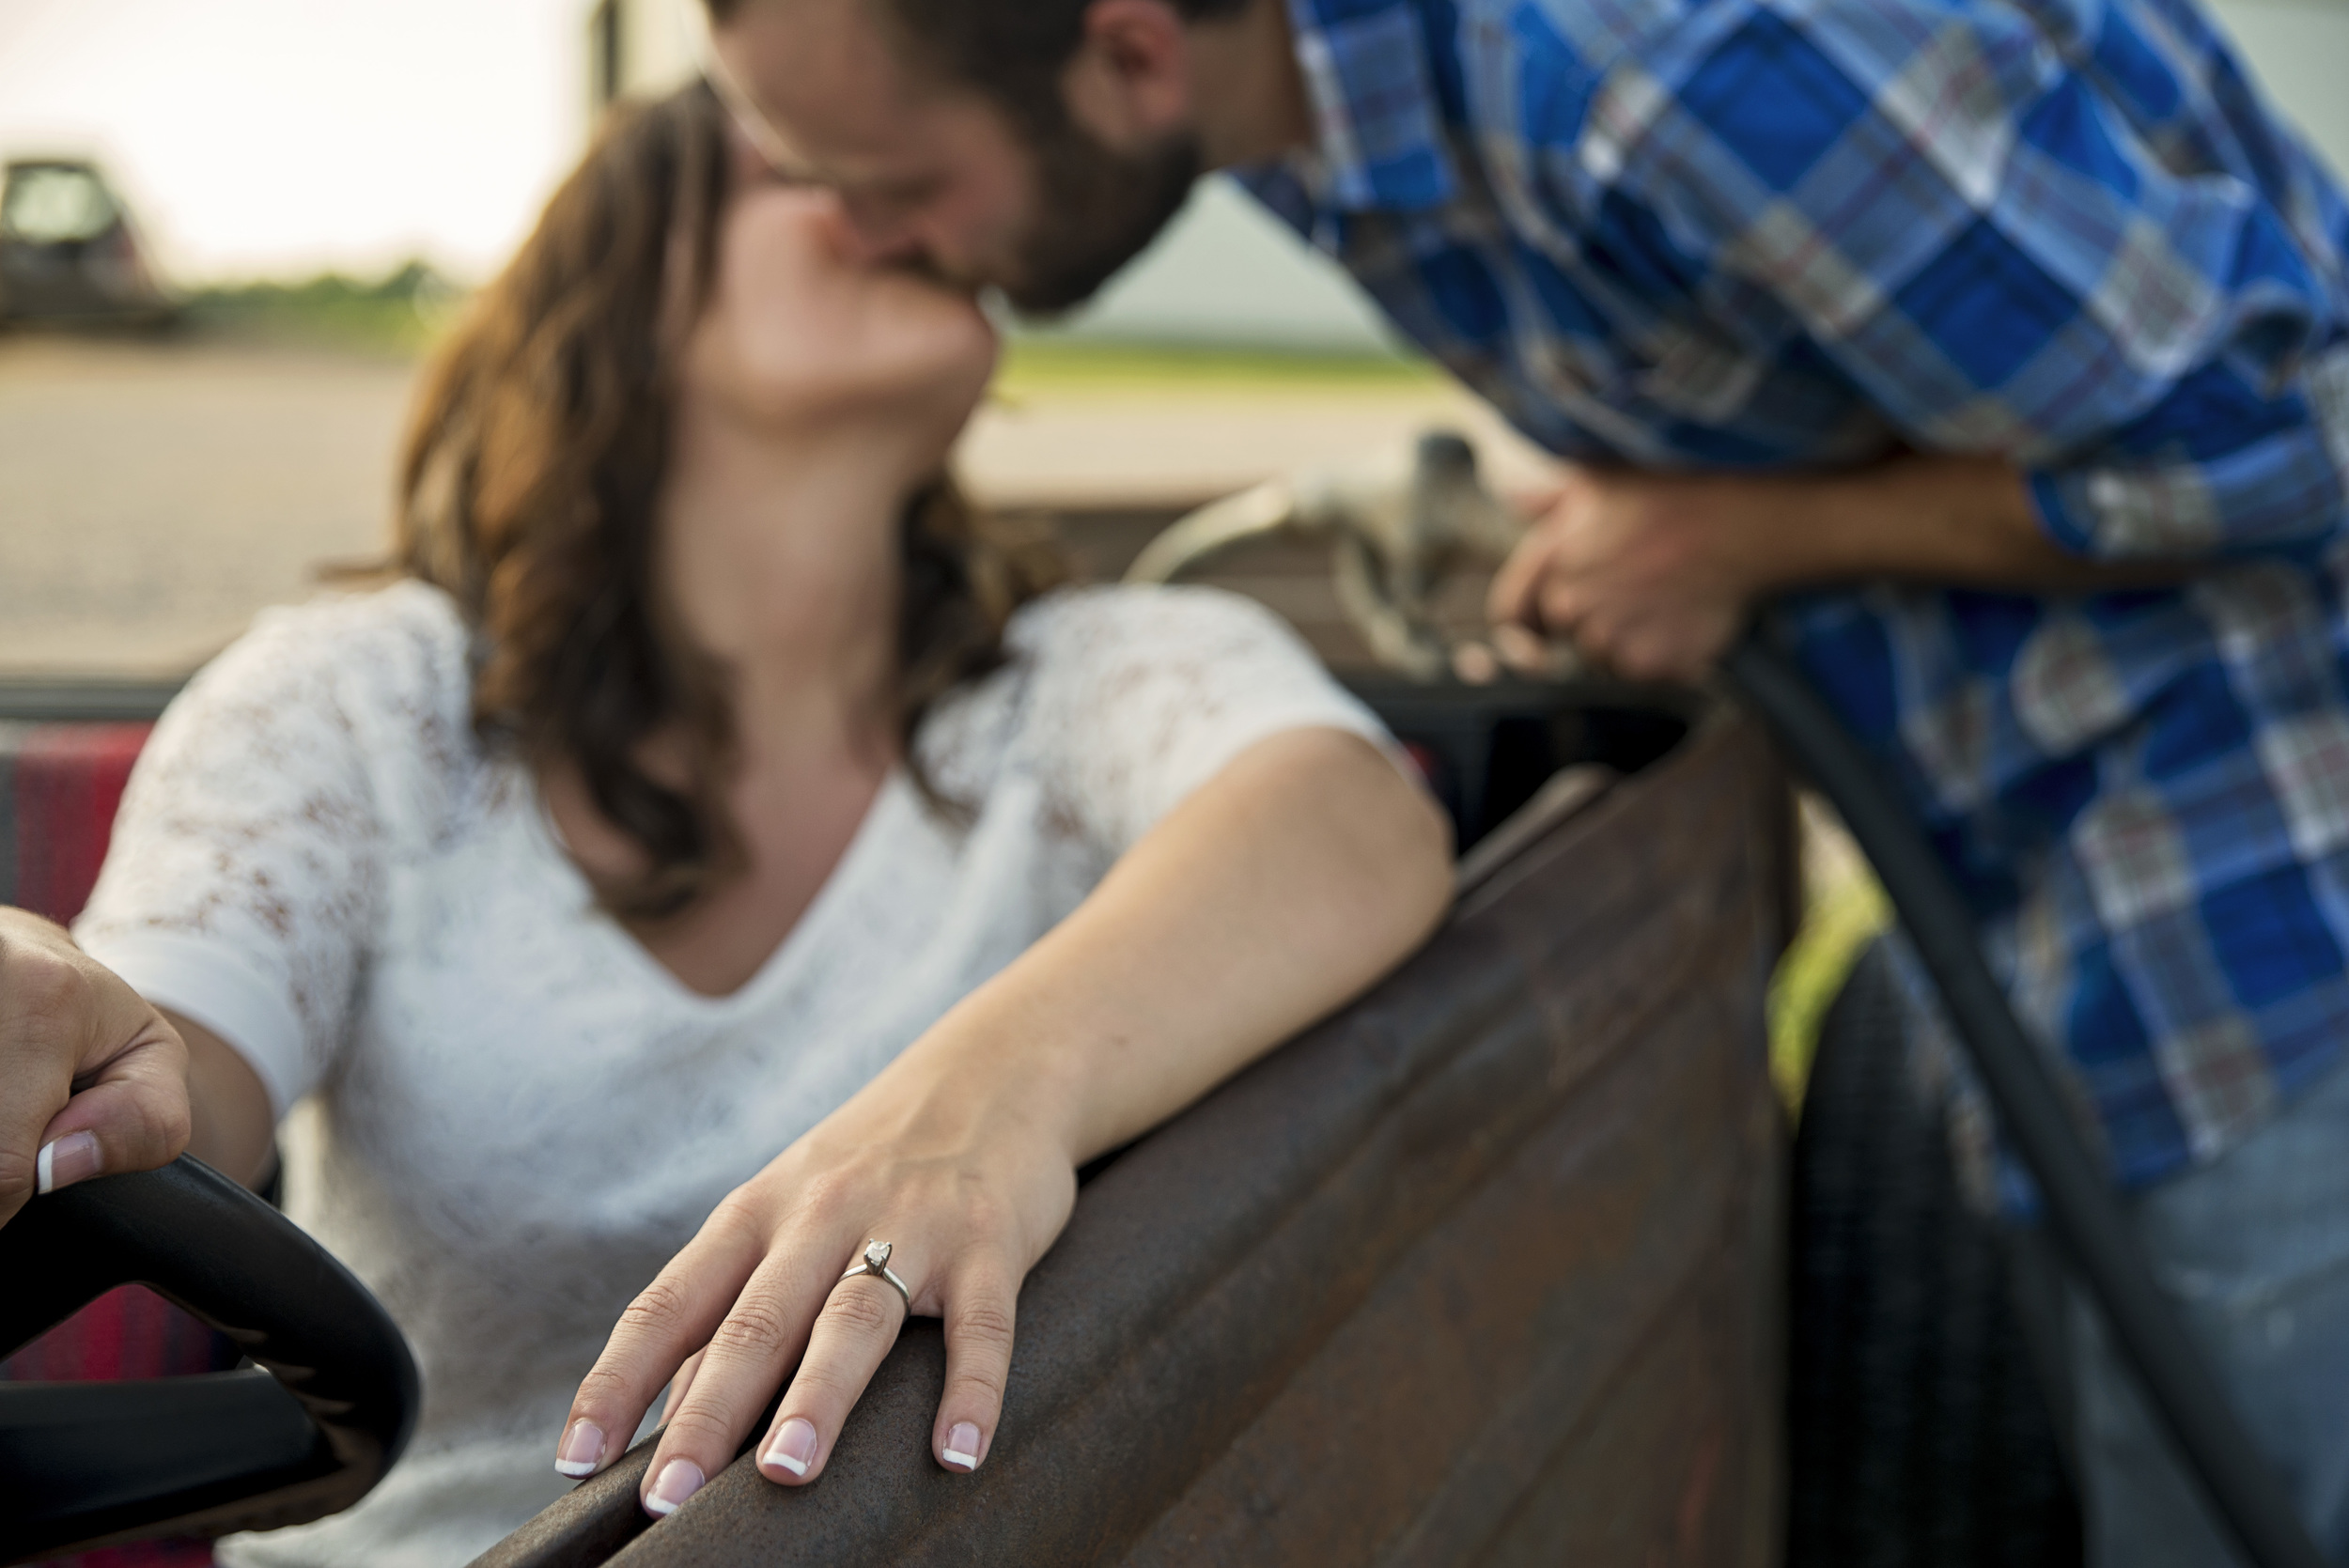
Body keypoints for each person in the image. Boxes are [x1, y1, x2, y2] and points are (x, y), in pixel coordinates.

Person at [692, 0, 2349, 1560]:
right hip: (2034, 883)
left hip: (2267, 878)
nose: (875, 235)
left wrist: (1744, 543)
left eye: (897, 188)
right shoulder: (1281, 108)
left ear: (1127, 52)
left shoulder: (1671, 59)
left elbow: (2297, 425)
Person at [0, 83, 1454, 1563]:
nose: (903, 197)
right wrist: (43, 1015)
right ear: (623, 295)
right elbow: (160, 1071)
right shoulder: (366, 699)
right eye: (811, 156)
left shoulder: (1081, 679)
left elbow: (1351, 815)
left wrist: (981, 1104)